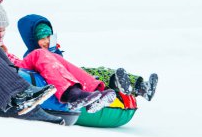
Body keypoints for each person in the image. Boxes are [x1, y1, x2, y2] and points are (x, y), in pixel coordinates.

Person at [0, 0, 119, 113]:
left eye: (3, 30)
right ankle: (71, 94)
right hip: (4, 72)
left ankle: (93, 90)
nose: (1, 35)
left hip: (17, 66)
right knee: (39, 54)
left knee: (52, 56)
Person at [18, 14, 159, 102]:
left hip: (72, 73)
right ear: (32, 40)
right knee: (93, 76)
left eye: (49, 36)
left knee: (101, 71)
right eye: (43, 38)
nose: (47, 41)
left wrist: (55, 51)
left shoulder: (52, 49)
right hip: (69, 82)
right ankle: (117, 85)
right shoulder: (32, 56)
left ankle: (140, 87)